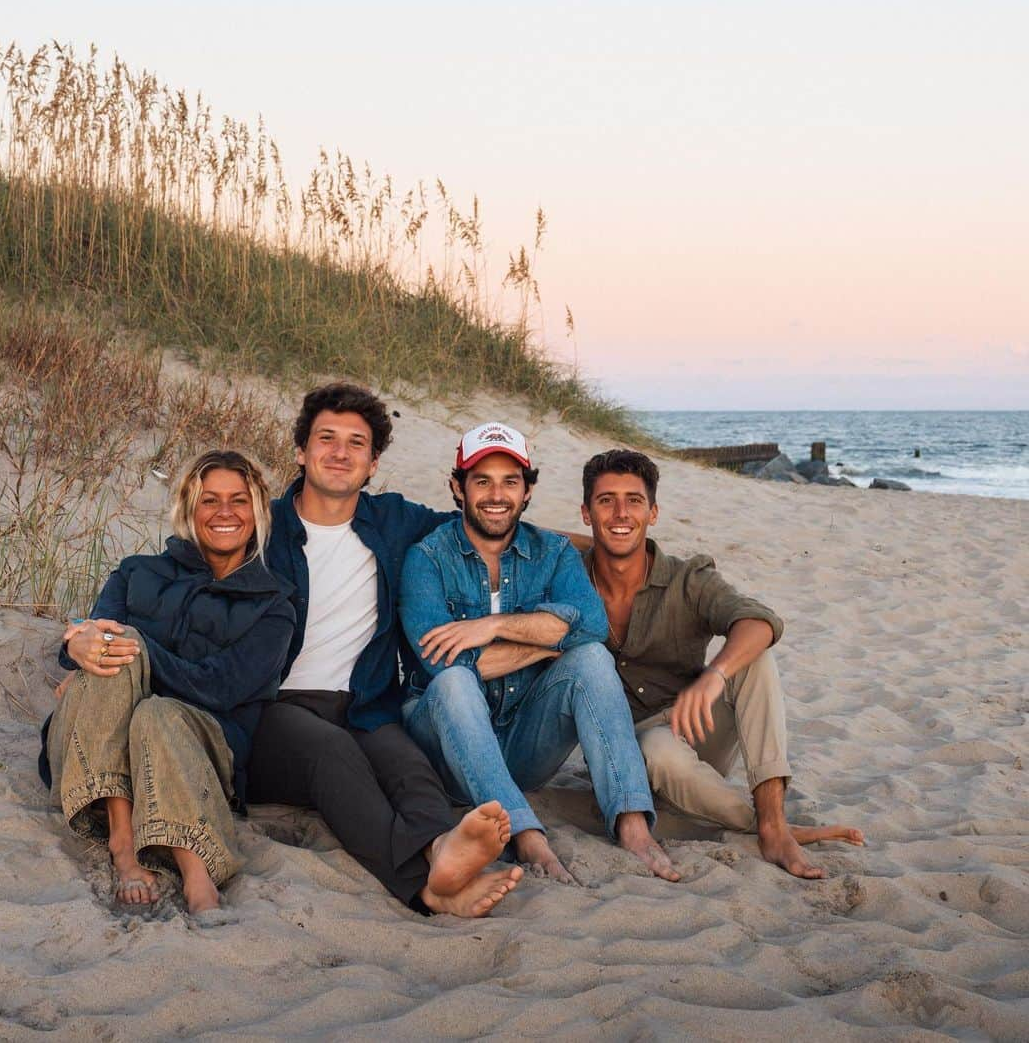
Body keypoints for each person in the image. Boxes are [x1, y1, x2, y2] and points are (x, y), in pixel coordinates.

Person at [249, 383, 522, 918]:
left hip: (363, 706)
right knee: (333, 752)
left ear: (373, 464)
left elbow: (487, 525)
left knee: (408, 766)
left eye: (357, 443)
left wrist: (591, 546)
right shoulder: (260, 526)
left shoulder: (393, 523)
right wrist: (90, 636)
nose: (340, 452)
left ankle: (442, 848)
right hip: (271, 713)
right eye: (326, 438)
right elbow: (172, 571)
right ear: (301, 452)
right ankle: (423, 887)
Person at [399, 422, 679, 885]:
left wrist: (492, 626)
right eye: (481, 480)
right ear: (457, 487)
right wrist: (547, 640)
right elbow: (445, 663)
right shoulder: (427, 559)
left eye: (511, 481)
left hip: (525, 743)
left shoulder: (552, 552)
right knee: (454, 681)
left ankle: (632, 824)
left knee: (590, 659)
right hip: (445, 752)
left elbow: (591, 627)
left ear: (527, 491)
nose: (496, 495)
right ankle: (525, 832)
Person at [580, 448, 865, 879]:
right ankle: (769, 828)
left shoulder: (687, 579)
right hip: (626, 754)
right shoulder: (568, 575)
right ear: (586, 513)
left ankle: (772, 820)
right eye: (606, 501)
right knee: (654, 748)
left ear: (653, 512)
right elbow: (526, 538)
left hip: (692, 729)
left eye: (634, 501)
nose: (621, 512)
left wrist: (715, 674)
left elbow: (760, 620)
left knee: (754, 658)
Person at [40, 450, 297, 912]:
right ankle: (124, 843)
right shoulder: (137, 571)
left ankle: (196, 869)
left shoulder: (273, 606)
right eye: (209, 500)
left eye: (238, 501)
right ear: (187, 509)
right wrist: (74, 646)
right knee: (113, 645)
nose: (224, 513)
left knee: (153, 704)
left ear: (258, 512)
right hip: (93, 756)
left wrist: (138, 651)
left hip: (193, 754)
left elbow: (221, 688)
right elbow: (89, 638)